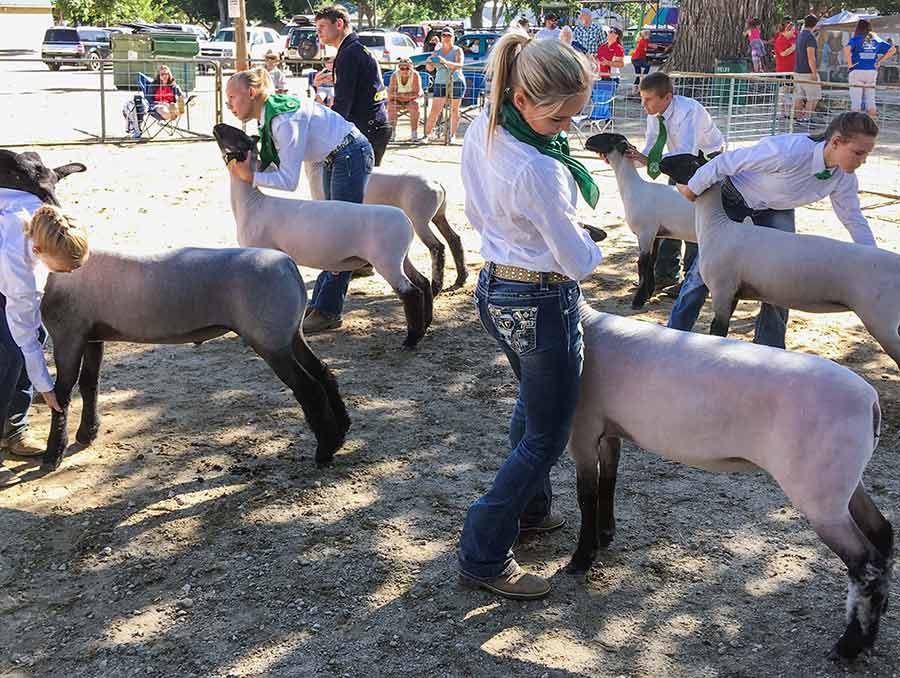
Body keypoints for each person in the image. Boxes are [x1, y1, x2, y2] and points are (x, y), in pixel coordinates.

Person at [458, 31, 602, 600]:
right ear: (523, 99)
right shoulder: (538, 168)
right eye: (561, 119)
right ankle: (484, 551)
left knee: (532, 405)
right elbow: (576, 260)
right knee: (547, 433)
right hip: (541, 298)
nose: (568, 130)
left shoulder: (484, 126)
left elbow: (474, 207)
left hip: (497, 287)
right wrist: (590, 245)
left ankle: (532, 508)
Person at [669, 112, 879, 348]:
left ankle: (770, 349)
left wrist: (873, 259)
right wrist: (693, 188)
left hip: (777, 209)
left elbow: (853, 218)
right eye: (859, 153)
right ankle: (674, 335)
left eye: (867, 154)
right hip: (735, 197)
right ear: (836, 142)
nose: (864, 160)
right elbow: (724, 162)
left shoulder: (844, 177)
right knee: (703, 272)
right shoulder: (787, 151)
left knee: (781, 278)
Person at [224, 68, 374, 334]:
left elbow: (287, 181)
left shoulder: (283, 120)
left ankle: (328, 309)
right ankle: (320, 304)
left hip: (349, 153)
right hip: (333, 156)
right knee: (331, 231)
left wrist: (251, 176)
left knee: (338, 234)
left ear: (251, 92)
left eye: (233, 98)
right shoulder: (268, 115)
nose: (229, 105)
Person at [0, 197, 89, 458]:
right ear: (38, 251)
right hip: (4, 279)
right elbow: (25, 340)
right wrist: (47, 389)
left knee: (39, 334)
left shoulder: (37, 208)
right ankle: (9, 429)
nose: (70, 273)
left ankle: (13, 424)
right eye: (65, 268)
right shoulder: (19, 274)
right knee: (13, 354)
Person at [625, 72, 723, 296]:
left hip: (704, 161)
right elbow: (651, 147)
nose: (644, 104)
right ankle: (664, 275)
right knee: (668, 216)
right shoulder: (655, 113)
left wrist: (650, 161)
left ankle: (692, 278)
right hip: (676, 162)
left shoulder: (689, 110)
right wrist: (632, 158)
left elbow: (687, 150)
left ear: (667, 97)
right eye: (642, 98)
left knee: (694, 221)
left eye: (648, 99)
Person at [315, 5, 391, 166]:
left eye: (322, 26)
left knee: (353, 189)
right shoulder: (354, 49)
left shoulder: (348, 53)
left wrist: (325, 132)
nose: (318, 32)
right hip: (374, 125)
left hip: (366, 129)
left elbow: (343, 104)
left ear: (339, 24)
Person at [844, 19, 897, 118]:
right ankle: (871, 127)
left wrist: (850, 64)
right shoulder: (875, 38)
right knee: (870, 101)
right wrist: (879, 61)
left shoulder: (856, 39)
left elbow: (847, 49)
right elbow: (893, 49)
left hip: (857, 70)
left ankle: (855, 128)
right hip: (871, 71)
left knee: (856, 103)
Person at [424, 28, 466, 142]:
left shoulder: (458, 50)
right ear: (441, 37)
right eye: (444, 35)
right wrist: (429, 61)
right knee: (435, 109)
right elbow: (430, 68)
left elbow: (459, 65)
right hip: (440, 82)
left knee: (454, 109)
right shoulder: (436, 52)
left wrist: (445, 62)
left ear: (453, 37)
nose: (446, 37)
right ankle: (427, 135)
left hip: (456, 81)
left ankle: (452, 135)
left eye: (449, 35)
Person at [387, 57, 422, 141]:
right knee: (391, 106)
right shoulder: (395, 75)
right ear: (399, 68)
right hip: (397, 101)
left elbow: (417, 93)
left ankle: (414, 134)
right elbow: (390, 94)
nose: (405, 70)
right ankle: (392, 134)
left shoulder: (415, 75)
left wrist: (399, 95)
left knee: (415, 106)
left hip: (410, 101)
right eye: (402, 68)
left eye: (407, 68)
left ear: (411, 67)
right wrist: (406, 95)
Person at [794, 14, 821, 123]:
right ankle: (806, 118)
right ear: (815, 24)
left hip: (797, 70)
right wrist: (814, 73)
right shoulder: (810, 37)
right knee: (814, 97)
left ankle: (797, 118)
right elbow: (811, 57)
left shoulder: (799, 36)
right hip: (808, 72)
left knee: (799, 96)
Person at [773, 19, 796, 115]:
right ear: (787, 30)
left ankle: (788, 111)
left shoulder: (793, 38)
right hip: (783, 70)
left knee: (790, 91)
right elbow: (783, 53)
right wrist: (794, 47)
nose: (794, 32)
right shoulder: (780, 40)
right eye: (792, 30)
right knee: (782, 91)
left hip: (792, 70)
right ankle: (781, 112)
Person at [631, 28, 651, 94]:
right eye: (648, 34)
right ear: (645, 35)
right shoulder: (644, 41)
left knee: (638, 75)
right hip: (637, 59)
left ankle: (634, 90)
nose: (649, 36)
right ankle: (643, 78)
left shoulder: (641, 40)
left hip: (635, 59)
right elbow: (645, 49)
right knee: (647, 66)